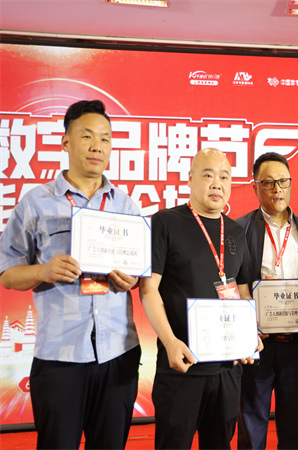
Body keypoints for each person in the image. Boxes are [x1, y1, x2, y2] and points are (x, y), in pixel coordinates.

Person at [0, 100, 141, 449]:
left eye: (105, 138)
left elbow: (138, 271)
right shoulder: (36, 202)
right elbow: (6, 272)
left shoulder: (125, 204)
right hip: (60, 356)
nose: (98, 146)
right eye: (87, 136)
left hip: (118, 351)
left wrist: (132, 280)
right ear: (65, 141)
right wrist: (43, 270)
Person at [139, 148, 261, 450]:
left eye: (224, 177)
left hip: (228, 369)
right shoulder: (165, 222)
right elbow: (148, 289)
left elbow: (242, 291)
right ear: (190, 179)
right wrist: (170, 342)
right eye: (208, 175)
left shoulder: (236, 231)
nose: (217, 183)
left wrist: (249, 334)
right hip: (182, 366)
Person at [236, 152, 298, 450]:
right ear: (255, 187)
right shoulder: (240, 230)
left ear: (291, 184)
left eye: (283, 181)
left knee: (293, 427)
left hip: (297, 346)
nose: (277, 189)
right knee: (251, 426)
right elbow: (232, 284)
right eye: (268, 183)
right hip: (258, 345)